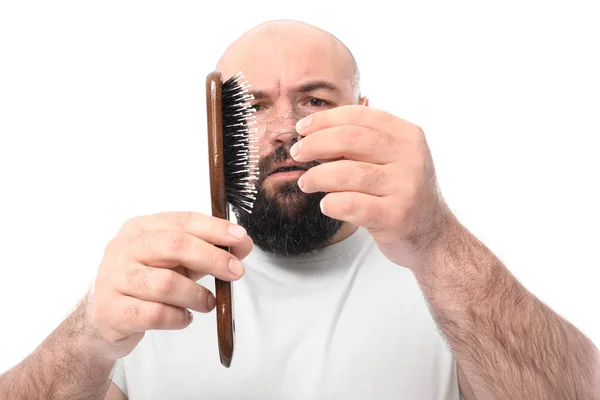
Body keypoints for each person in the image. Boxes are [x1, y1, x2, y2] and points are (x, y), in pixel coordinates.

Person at [0, 19, 598, 400]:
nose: (284, 129)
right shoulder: (158, 289)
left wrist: (438, 240)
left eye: (314, 98)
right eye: (253, 105)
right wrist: (86, 339)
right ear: (221, 127)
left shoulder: (442, 280)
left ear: (361, 111)